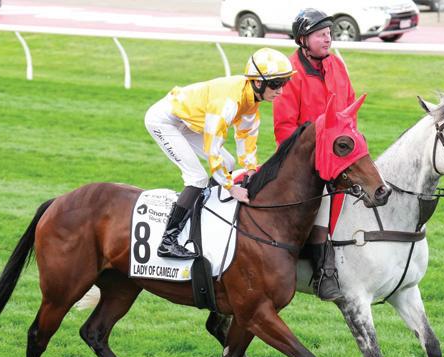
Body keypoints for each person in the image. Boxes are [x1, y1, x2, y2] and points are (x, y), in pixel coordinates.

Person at [145, 47, 295, 259]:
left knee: (229, 161)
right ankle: (168, 241)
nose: (280, 90)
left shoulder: (251, 100)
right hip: (165, 121)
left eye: (284, 83)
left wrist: (251, 169)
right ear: (258, 82)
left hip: (187, 122)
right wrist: (230, 187)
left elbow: (246, 136)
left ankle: (201, 214)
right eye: (276, 83)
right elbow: (212, 146)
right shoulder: (229, 101)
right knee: (197, 178)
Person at [273, 8, 356, 301]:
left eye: (329, 34)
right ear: (303, 40)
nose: (328, 39)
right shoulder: (290, 73)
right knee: (322, 196)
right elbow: (284, 129)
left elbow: (350, 112)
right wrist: (318, 158)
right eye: (321, 35)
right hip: (304, 161)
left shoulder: (337, 66)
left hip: (339, 154)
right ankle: (324, 271)